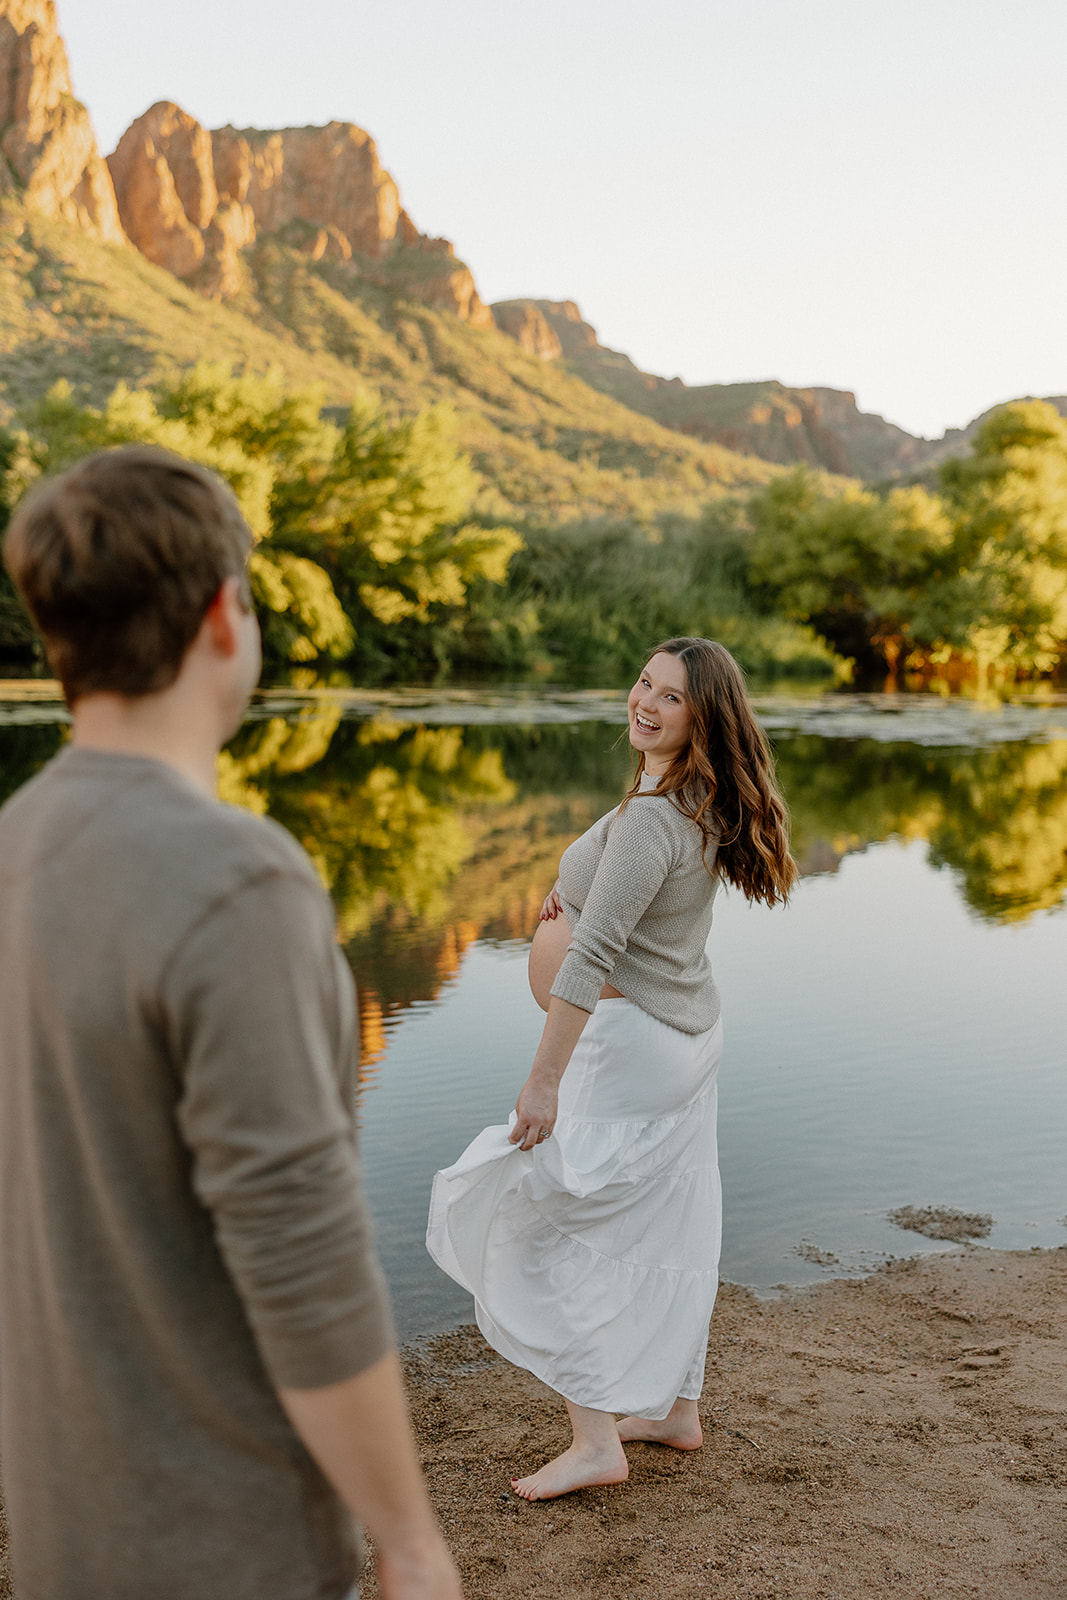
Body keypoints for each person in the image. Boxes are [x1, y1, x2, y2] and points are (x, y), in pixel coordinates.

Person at [0, 446, 463, 1600]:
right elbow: (301, 1258)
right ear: (223, 616)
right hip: (223, 1539)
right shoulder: (237, 881)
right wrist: (407, 1539)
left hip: (64, 1527)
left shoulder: (12, 849)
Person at [427, 636, 796, 1501]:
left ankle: (595, 1443)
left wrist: (543, 1080)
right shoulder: (693, 795)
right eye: (642, 683)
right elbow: (633, 908)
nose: (645, 702)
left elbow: (592, 952)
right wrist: (584, 885)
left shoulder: (655, 816)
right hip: (685, 1039)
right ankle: (675, 1409)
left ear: (700, 717)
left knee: (542, 1219)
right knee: (671, 1219)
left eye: (669, 697)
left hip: (627, 1053)